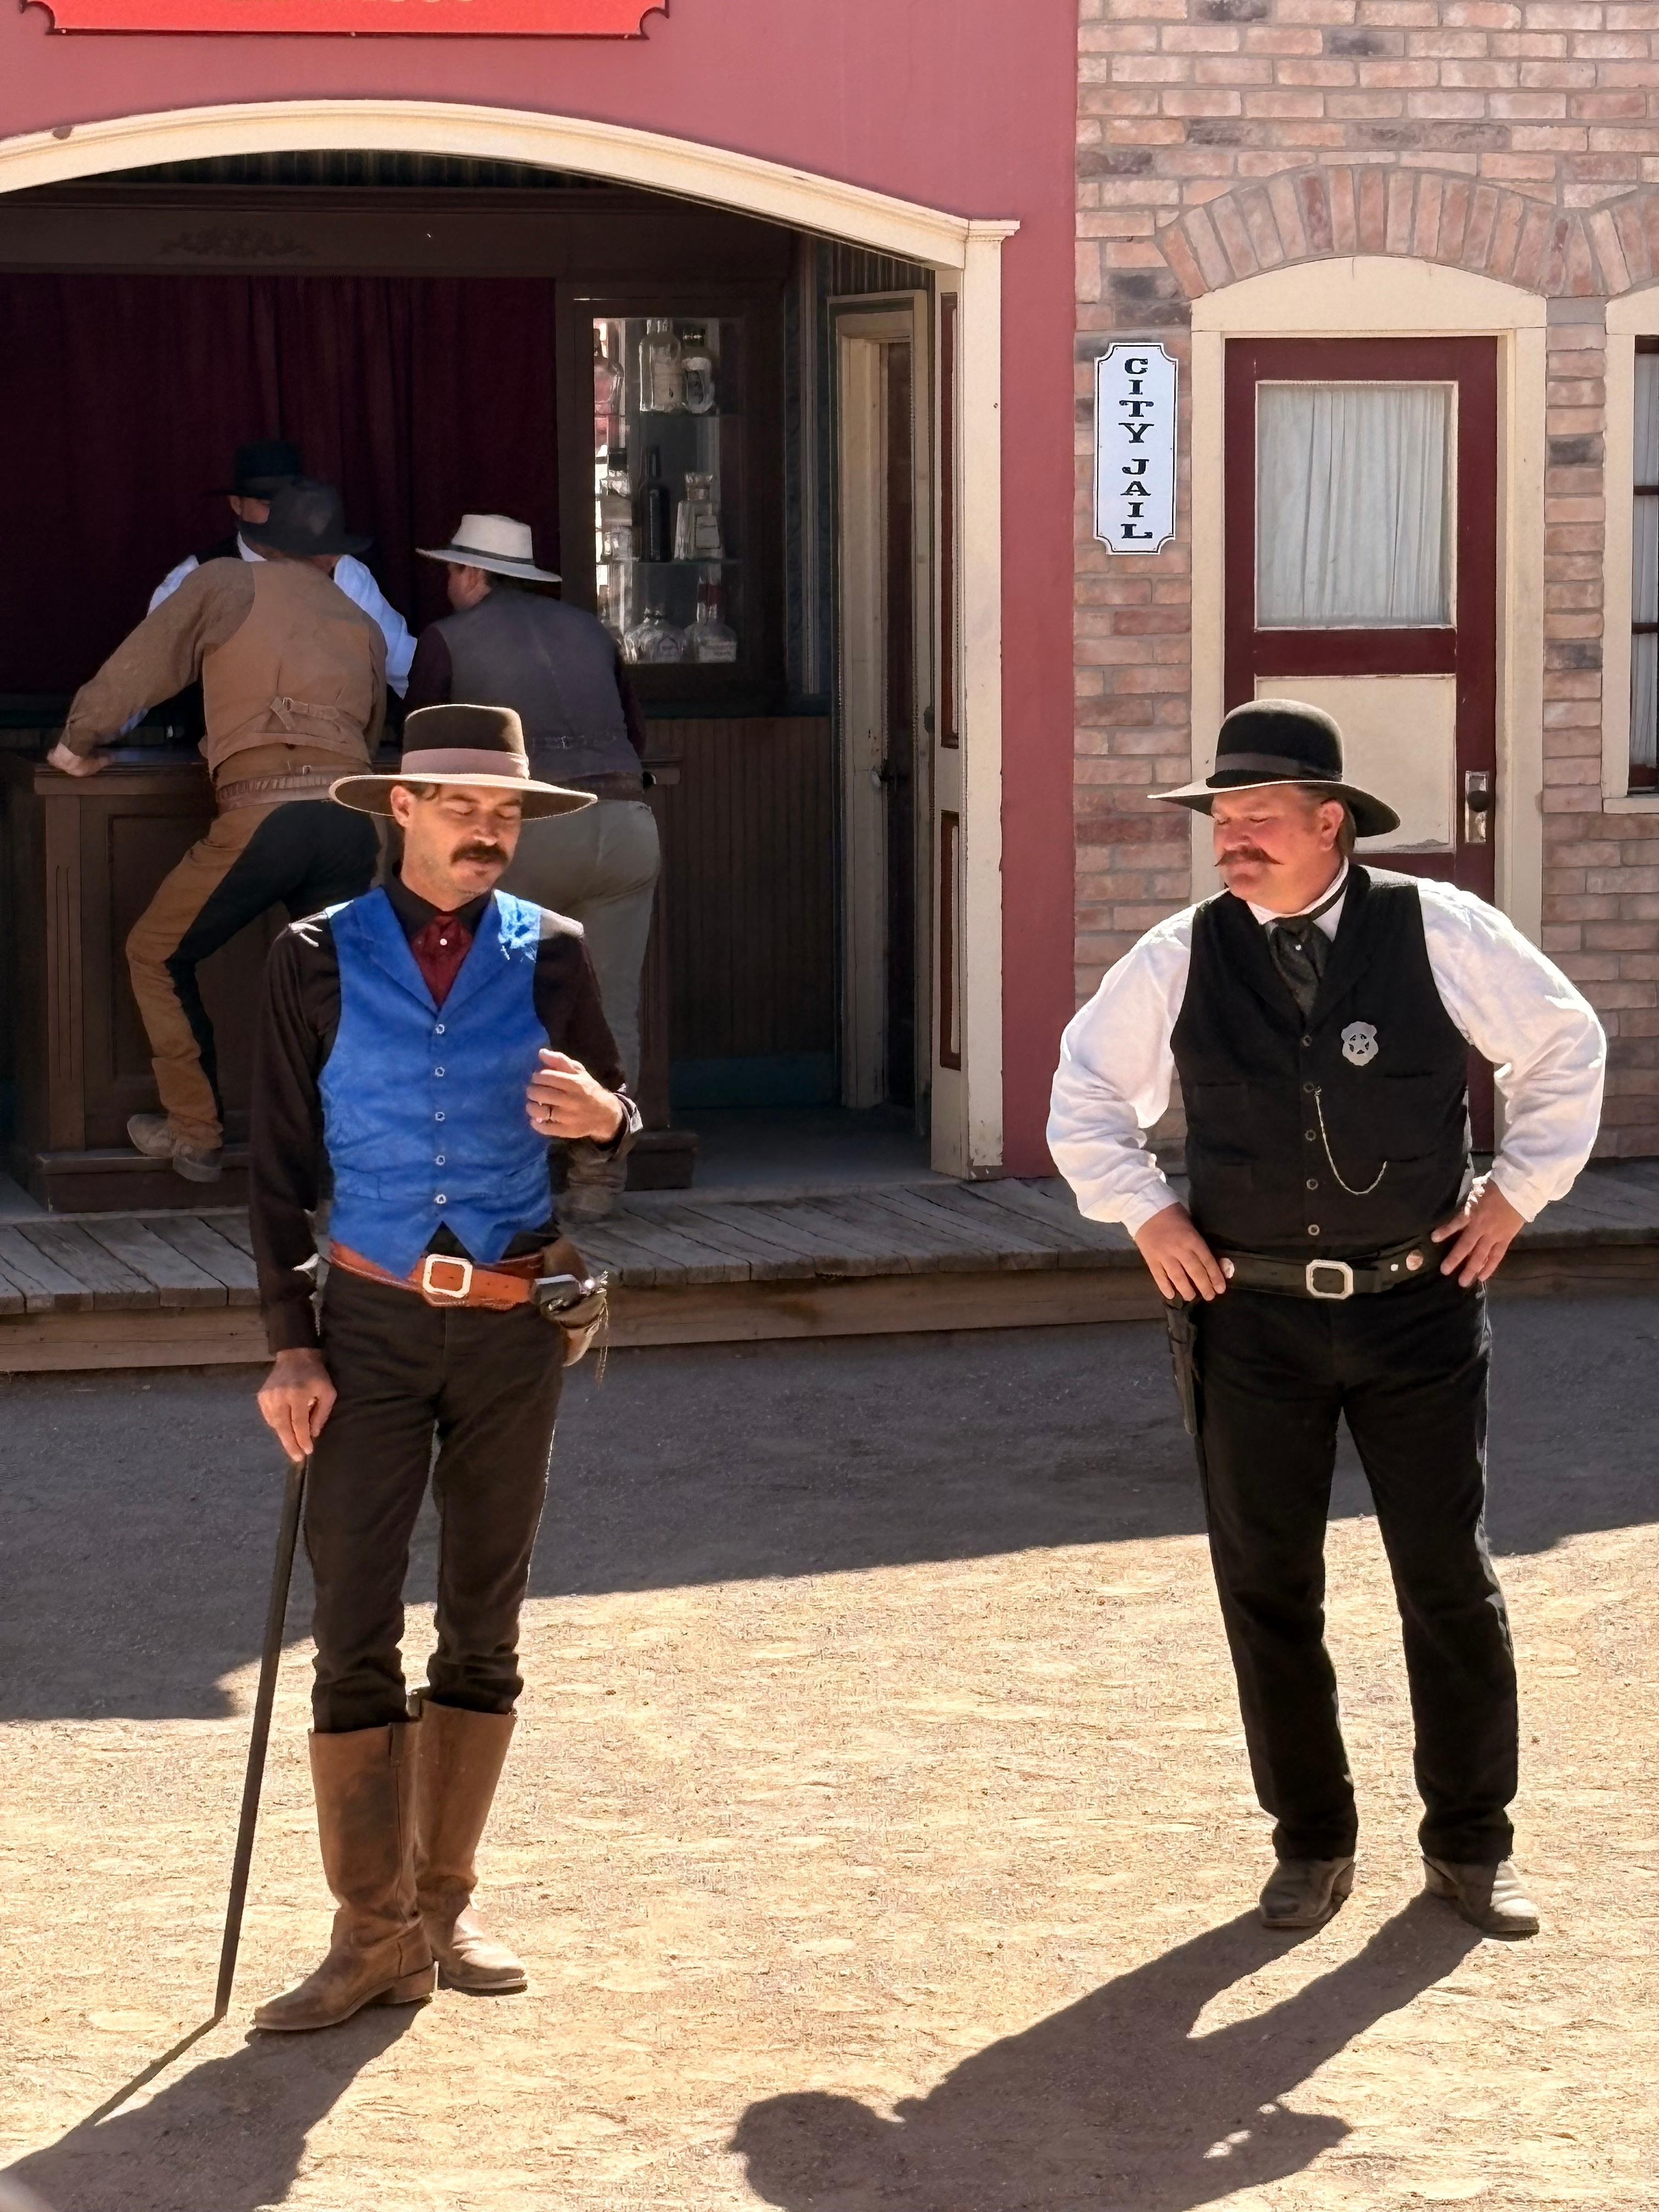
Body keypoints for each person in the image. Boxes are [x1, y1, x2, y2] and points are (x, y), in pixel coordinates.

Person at [1049, 699, 1606, 1940]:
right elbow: (1086, 1095)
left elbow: (1567, 1046)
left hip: (1418, 1305)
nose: (1232, 840)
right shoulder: (1183, 953)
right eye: (1222, 820)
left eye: (1257, 819)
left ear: (1330, 823)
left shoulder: (1438, 929)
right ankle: (1311, 1844)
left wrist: (1515, 1197)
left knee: (1446, 1578)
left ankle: (1471, 1845)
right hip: (1250, 1320)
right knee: (1267, 1588)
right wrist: (1146, 1215)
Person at [247, 701, 639, 2033]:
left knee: (488, 1604)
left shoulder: (556, 955)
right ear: (398, 809)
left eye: (509, 812)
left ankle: (444, 1900)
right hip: (363, 1320)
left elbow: (607, 1131)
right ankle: (370, 1936)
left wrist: (610, 1117)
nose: (489, 830)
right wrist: (288, 1346)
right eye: (462, 807)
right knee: (352, 1607)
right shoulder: (310, 958)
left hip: (515, 1323)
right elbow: (276, 1174)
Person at [47, 481, 387, 1183]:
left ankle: (197, 1133)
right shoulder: (363, 620)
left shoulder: (225, 582)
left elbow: (143, 666)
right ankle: (344, 1164)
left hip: (266, 815)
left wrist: (78, 740)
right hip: (354, 821)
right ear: (330, 556)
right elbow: (372, 728)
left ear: (265, 540)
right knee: (338, 987)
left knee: (155, 955)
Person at [405, 512, 659, 1220]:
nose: (449, 583)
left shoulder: (447, 640)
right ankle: (598, 1178)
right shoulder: (594, 632)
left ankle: (491, 1180)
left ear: (473, 575)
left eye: (453, 570)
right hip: (628, 828)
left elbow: (424, 752)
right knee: (612, 1008)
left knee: (488, 1005)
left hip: (529, 828)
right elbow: (636, 736)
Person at [146, 437, 415, 697]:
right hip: (218, 743)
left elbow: (403, 667)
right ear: (236, 504)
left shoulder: (342, 571)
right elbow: (142, 674)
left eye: (290, 505)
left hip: (328, 738)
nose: (281, 517)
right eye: (268, 505)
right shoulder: (195, 576)